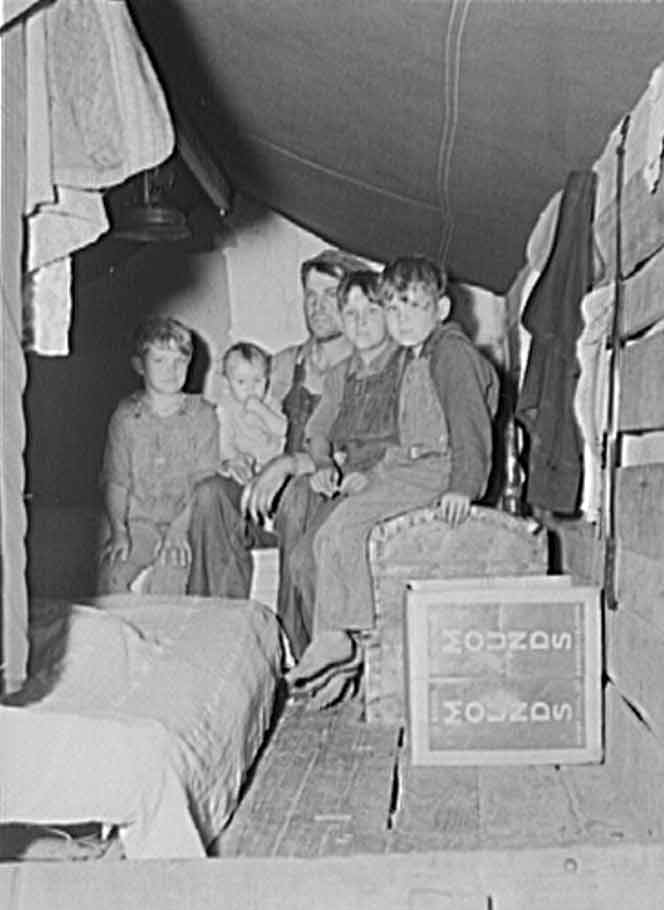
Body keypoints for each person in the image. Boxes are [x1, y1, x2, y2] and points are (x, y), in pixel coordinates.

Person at [285, 255, 501, 709]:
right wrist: (375, 473)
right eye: (395, 308)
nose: (400, 319)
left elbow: (469, 424)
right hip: (408, 465)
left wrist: (464, 485)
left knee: (343, 529)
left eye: (411, 307)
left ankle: (344, 634)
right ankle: (341, 643)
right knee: (327, 535)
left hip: (436, 470)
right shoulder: (415, 355)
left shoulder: (450, 353)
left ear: (440, 309)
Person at [186, 247, 365, 601]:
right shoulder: (282, 365)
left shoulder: (363, 369)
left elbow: (359, 454)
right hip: (267, 500)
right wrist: (234, 460)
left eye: (330, 295)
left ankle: (304, 645)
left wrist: (288, 466)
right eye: (310, 296)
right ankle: (221, 626)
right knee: (211, 495)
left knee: (301, 496)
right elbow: (240, 419)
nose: (317, 306)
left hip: (324, 499)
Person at [277, 268, 404, 660]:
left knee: (320, 553)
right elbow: (318, 432)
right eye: (350, 314)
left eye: (370, 312)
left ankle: (360, 659)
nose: (360, 323)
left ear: (388, 314)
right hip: (350, 482)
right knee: (302, 560)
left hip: (394, 480)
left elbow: (416, 440)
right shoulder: (338, 375)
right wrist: (321, 464)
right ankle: (327, 655)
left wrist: (373, 475)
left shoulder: (404, 365)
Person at [98, 316, 219, 595]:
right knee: (110, 575)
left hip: (184, 521)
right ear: (140, 365)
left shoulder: (203, 414)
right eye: (160, 361)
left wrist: (178, 531)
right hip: (138, 522)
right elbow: (117, 481)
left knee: (171, 579)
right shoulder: (125, 416)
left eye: (179, 361)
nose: (171, 370)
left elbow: (205, 482)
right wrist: (119, 530)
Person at [214, 340, 287, 519]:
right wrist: (235, 460)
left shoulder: (271, 403)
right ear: (226, 384)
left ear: (267, 380)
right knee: (225, 484)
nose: (251, 388)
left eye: (257, 380)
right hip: (245, 467)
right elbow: (225, 444)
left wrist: (262, 411)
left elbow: (284, 430)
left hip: (275, 466)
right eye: (241, 382)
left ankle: (271, 517)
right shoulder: (226, 409)